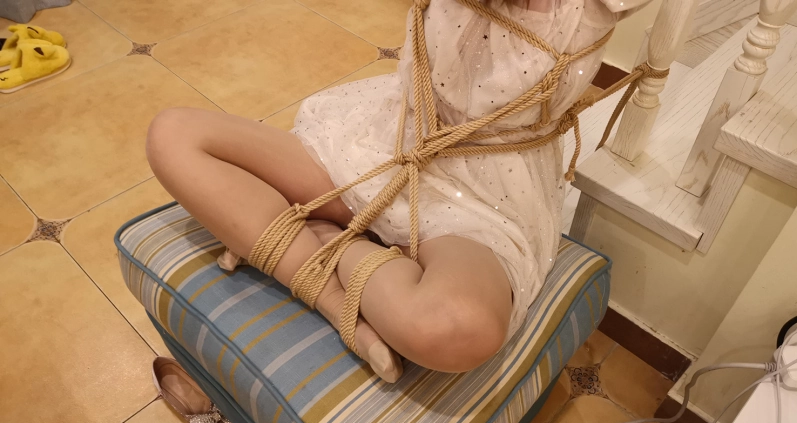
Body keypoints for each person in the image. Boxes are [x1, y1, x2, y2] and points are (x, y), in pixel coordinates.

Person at [145, 0, 651, 382]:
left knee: (457, 327)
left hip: (485, 189)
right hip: (386, 140)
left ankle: (324, 235)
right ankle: (329, 291)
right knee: (174, 134)